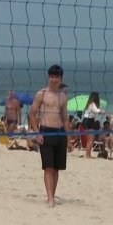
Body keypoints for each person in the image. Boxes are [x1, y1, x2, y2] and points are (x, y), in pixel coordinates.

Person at [28, 65, 70, 208]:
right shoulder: (41, 94)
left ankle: (52, 194)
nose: (54, 79)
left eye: (56, 77)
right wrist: (37, 132)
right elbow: (31, 114)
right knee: (48, 168)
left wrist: (69, 138)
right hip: (46, 132)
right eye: (52, 76)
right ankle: (50, 198)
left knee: (57, 168)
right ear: (48, 77)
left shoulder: (63, 96)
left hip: (60, 133)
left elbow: (65, 118)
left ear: (60, 78)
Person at [82, 91, 104, 159]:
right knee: (91, 140)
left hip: (86, 120)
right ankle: (88, 155)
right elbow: (98, 111)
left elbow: (96, 110)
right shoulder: (92, 104)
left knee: (90, 139)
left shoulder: (90, 104)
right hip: (89, 121)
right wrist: (106, 113)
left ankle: (88, 154)